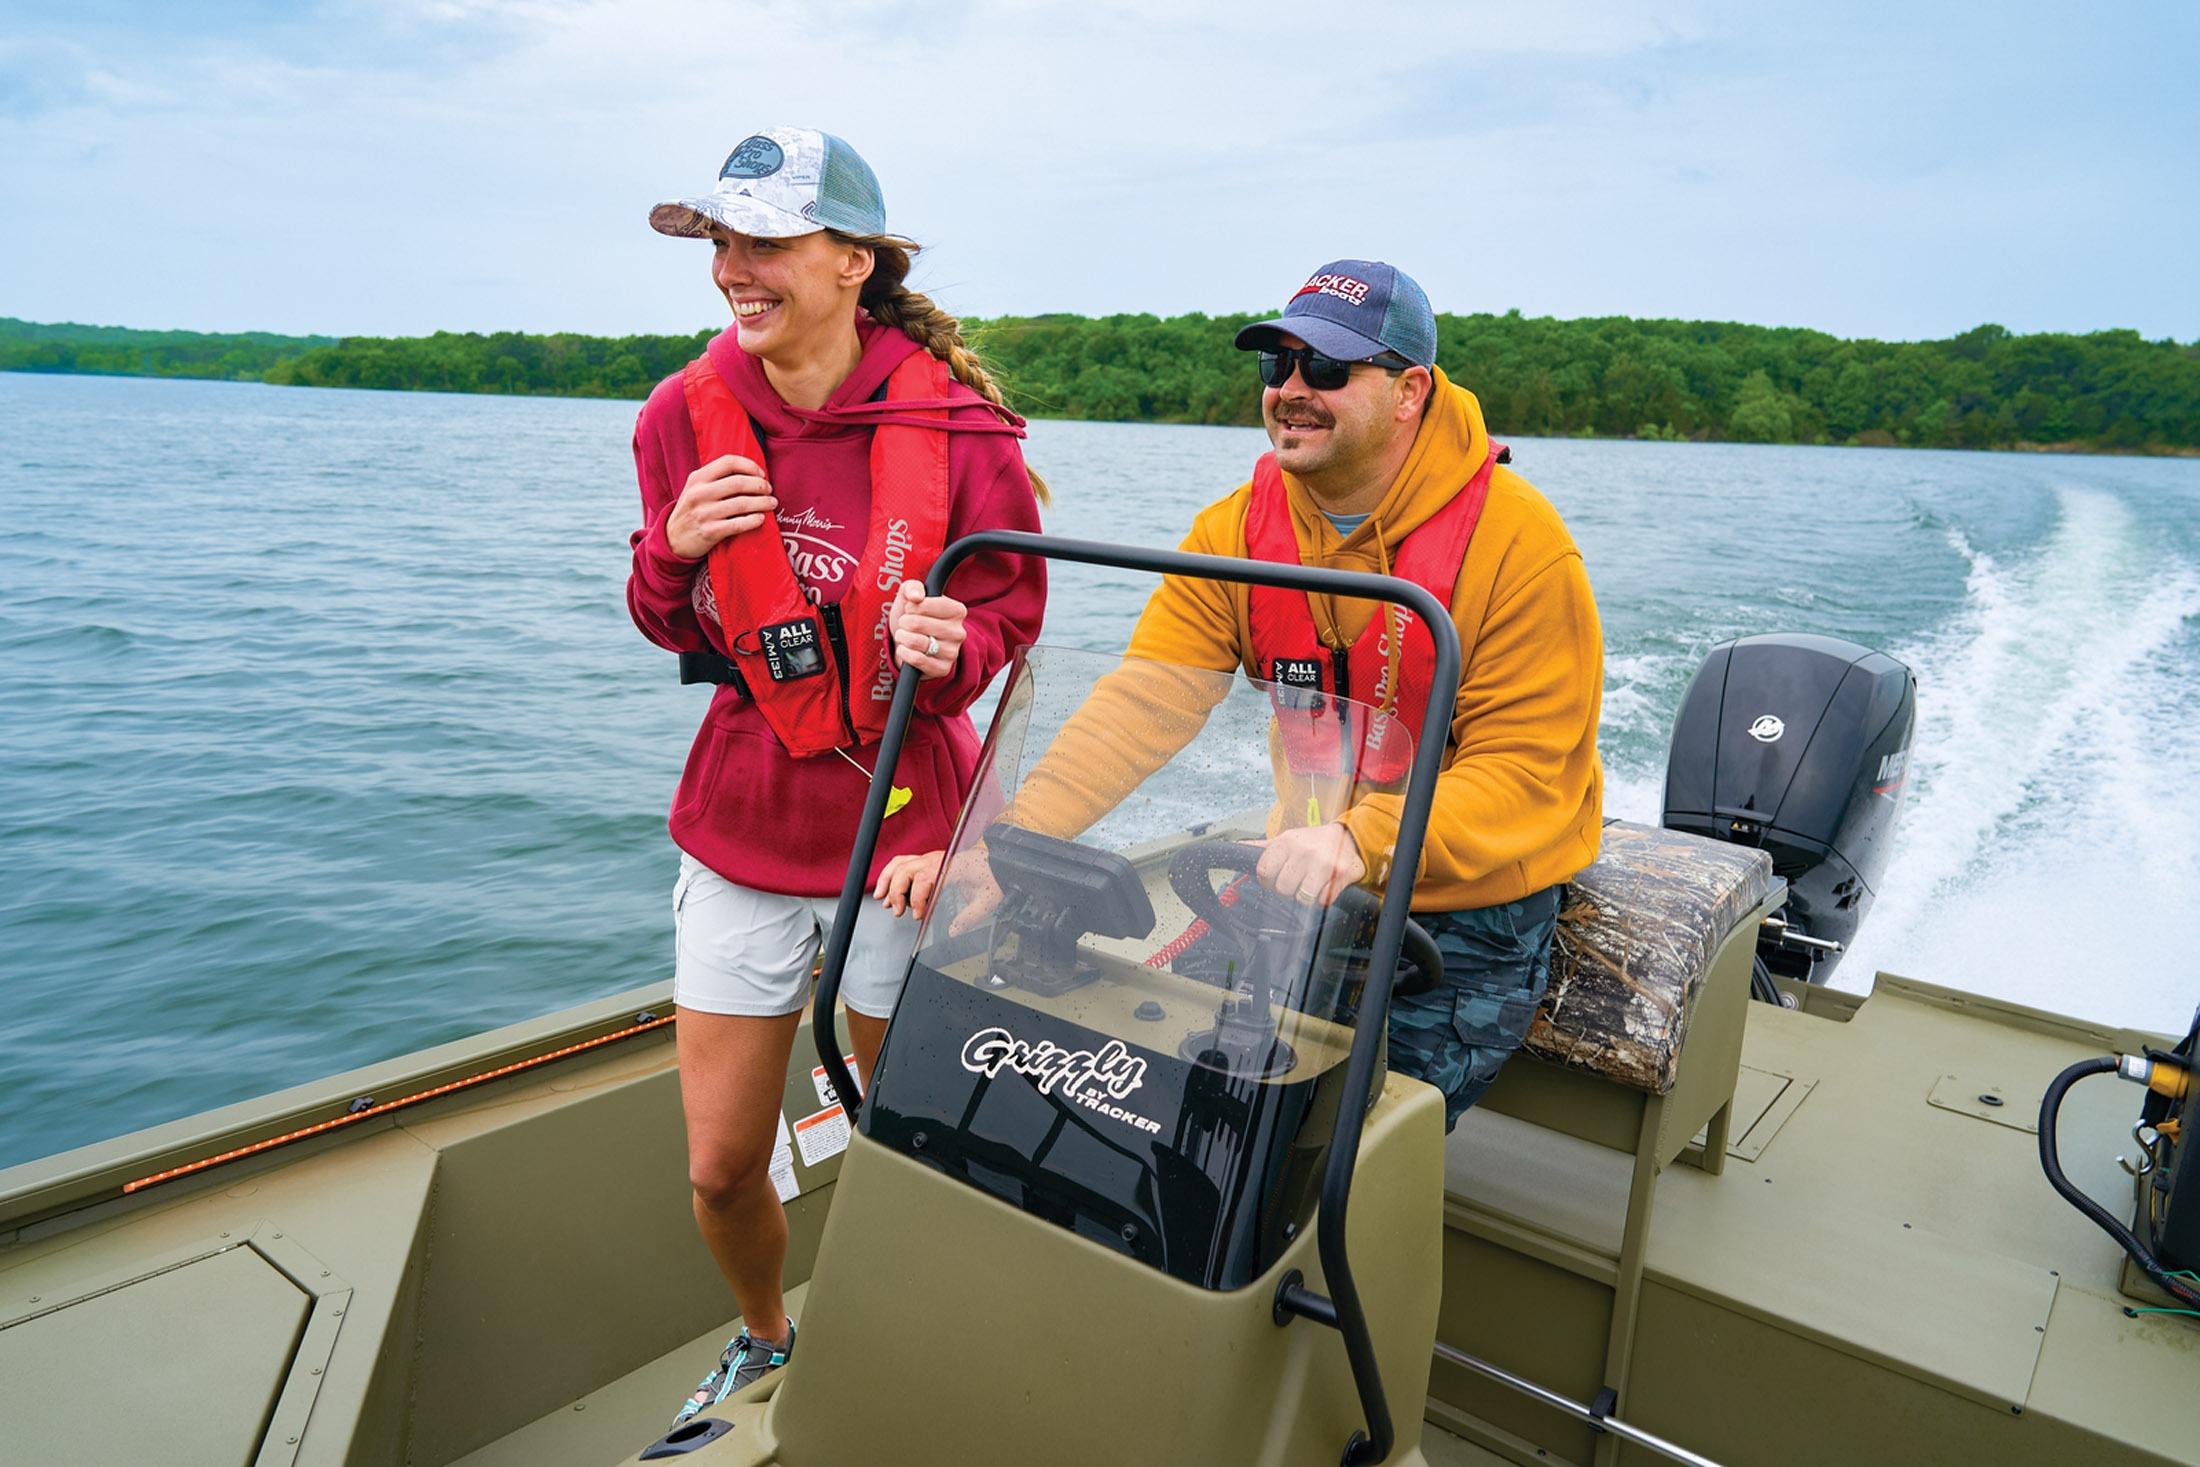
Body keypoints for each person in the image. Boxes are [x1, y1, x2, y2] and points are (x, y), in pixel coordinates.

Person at [878, 258, 1600, 1133]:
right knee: (1155, 1089)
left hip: (1464, 913)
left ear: (1410, 391)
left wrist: (1358, 839)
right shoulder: (1236, 532)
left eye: (1325, 367)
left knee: (1321, 1143)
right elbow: (1140, 703)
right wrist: (1009, 842)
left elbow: (1525, 770)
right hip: (1295, 880)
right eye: (1277, 363)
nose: (1292, 389)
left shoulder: (1522, 548)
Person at [626, 125, 1045, 1425]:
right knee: (717, 1165)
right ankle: (766, 1335)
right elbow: (669, 623)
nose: (732, 269)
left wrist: (957, 644)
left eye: (764, 240)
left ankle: (916, 1349)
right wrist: (670, 555)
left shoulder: (963, 430)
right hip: (742, 823)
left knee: (899, 1146)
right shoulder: (678, 415)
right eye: (720, 241)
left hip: (905, 838)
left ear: (854, 259)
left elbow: (1010, 619)